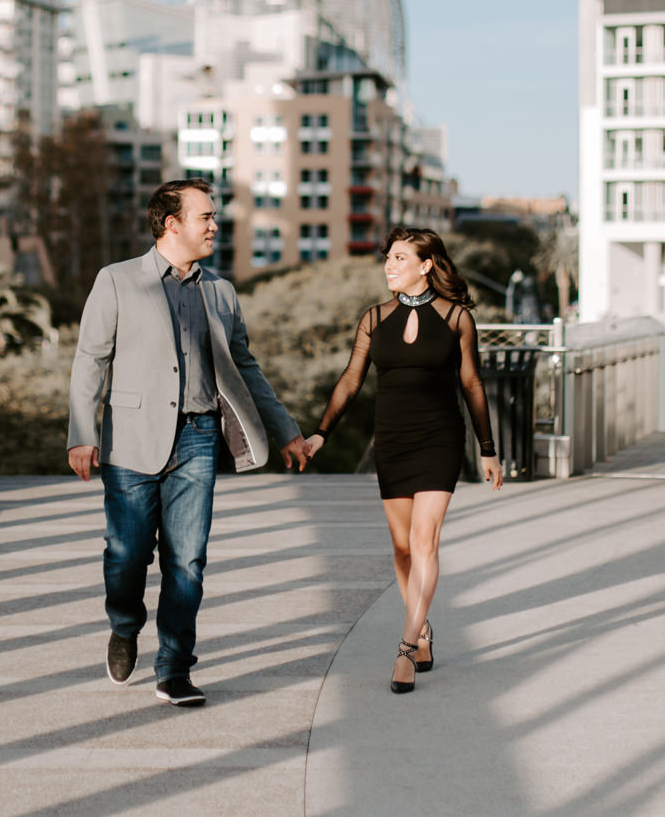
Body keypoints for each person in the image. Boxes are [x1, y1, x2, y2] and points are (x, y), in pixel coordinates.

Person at [67, 179, 308, 708]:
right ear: (171, 223)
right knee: (127, 556)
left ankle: (174, 667)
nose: (214, 226)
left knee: (187, 561)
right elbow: (90, 361)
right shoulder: (117, 281)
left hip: (198, 436)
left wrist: (285, 429)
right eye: (205, 217)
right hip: (129, 440)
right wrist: (82, 435)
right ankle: (125, 625)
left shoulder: (220, 290)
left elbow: (245, 367)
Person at [304, 225, 502, 694]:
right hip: (392, 440)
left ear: (426, 265)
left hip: (440, 438)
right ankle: (425, 628)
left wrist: (488, 449)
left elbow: (472, 385)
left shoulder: (456, 319)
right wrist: (320, 432)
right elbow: (351, 379)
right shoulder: (375, 318)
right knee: (403, 549)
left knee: (425, 542)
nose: (389, 266)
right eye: (388, 258)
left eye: (398, 258)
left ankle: (407, 648)